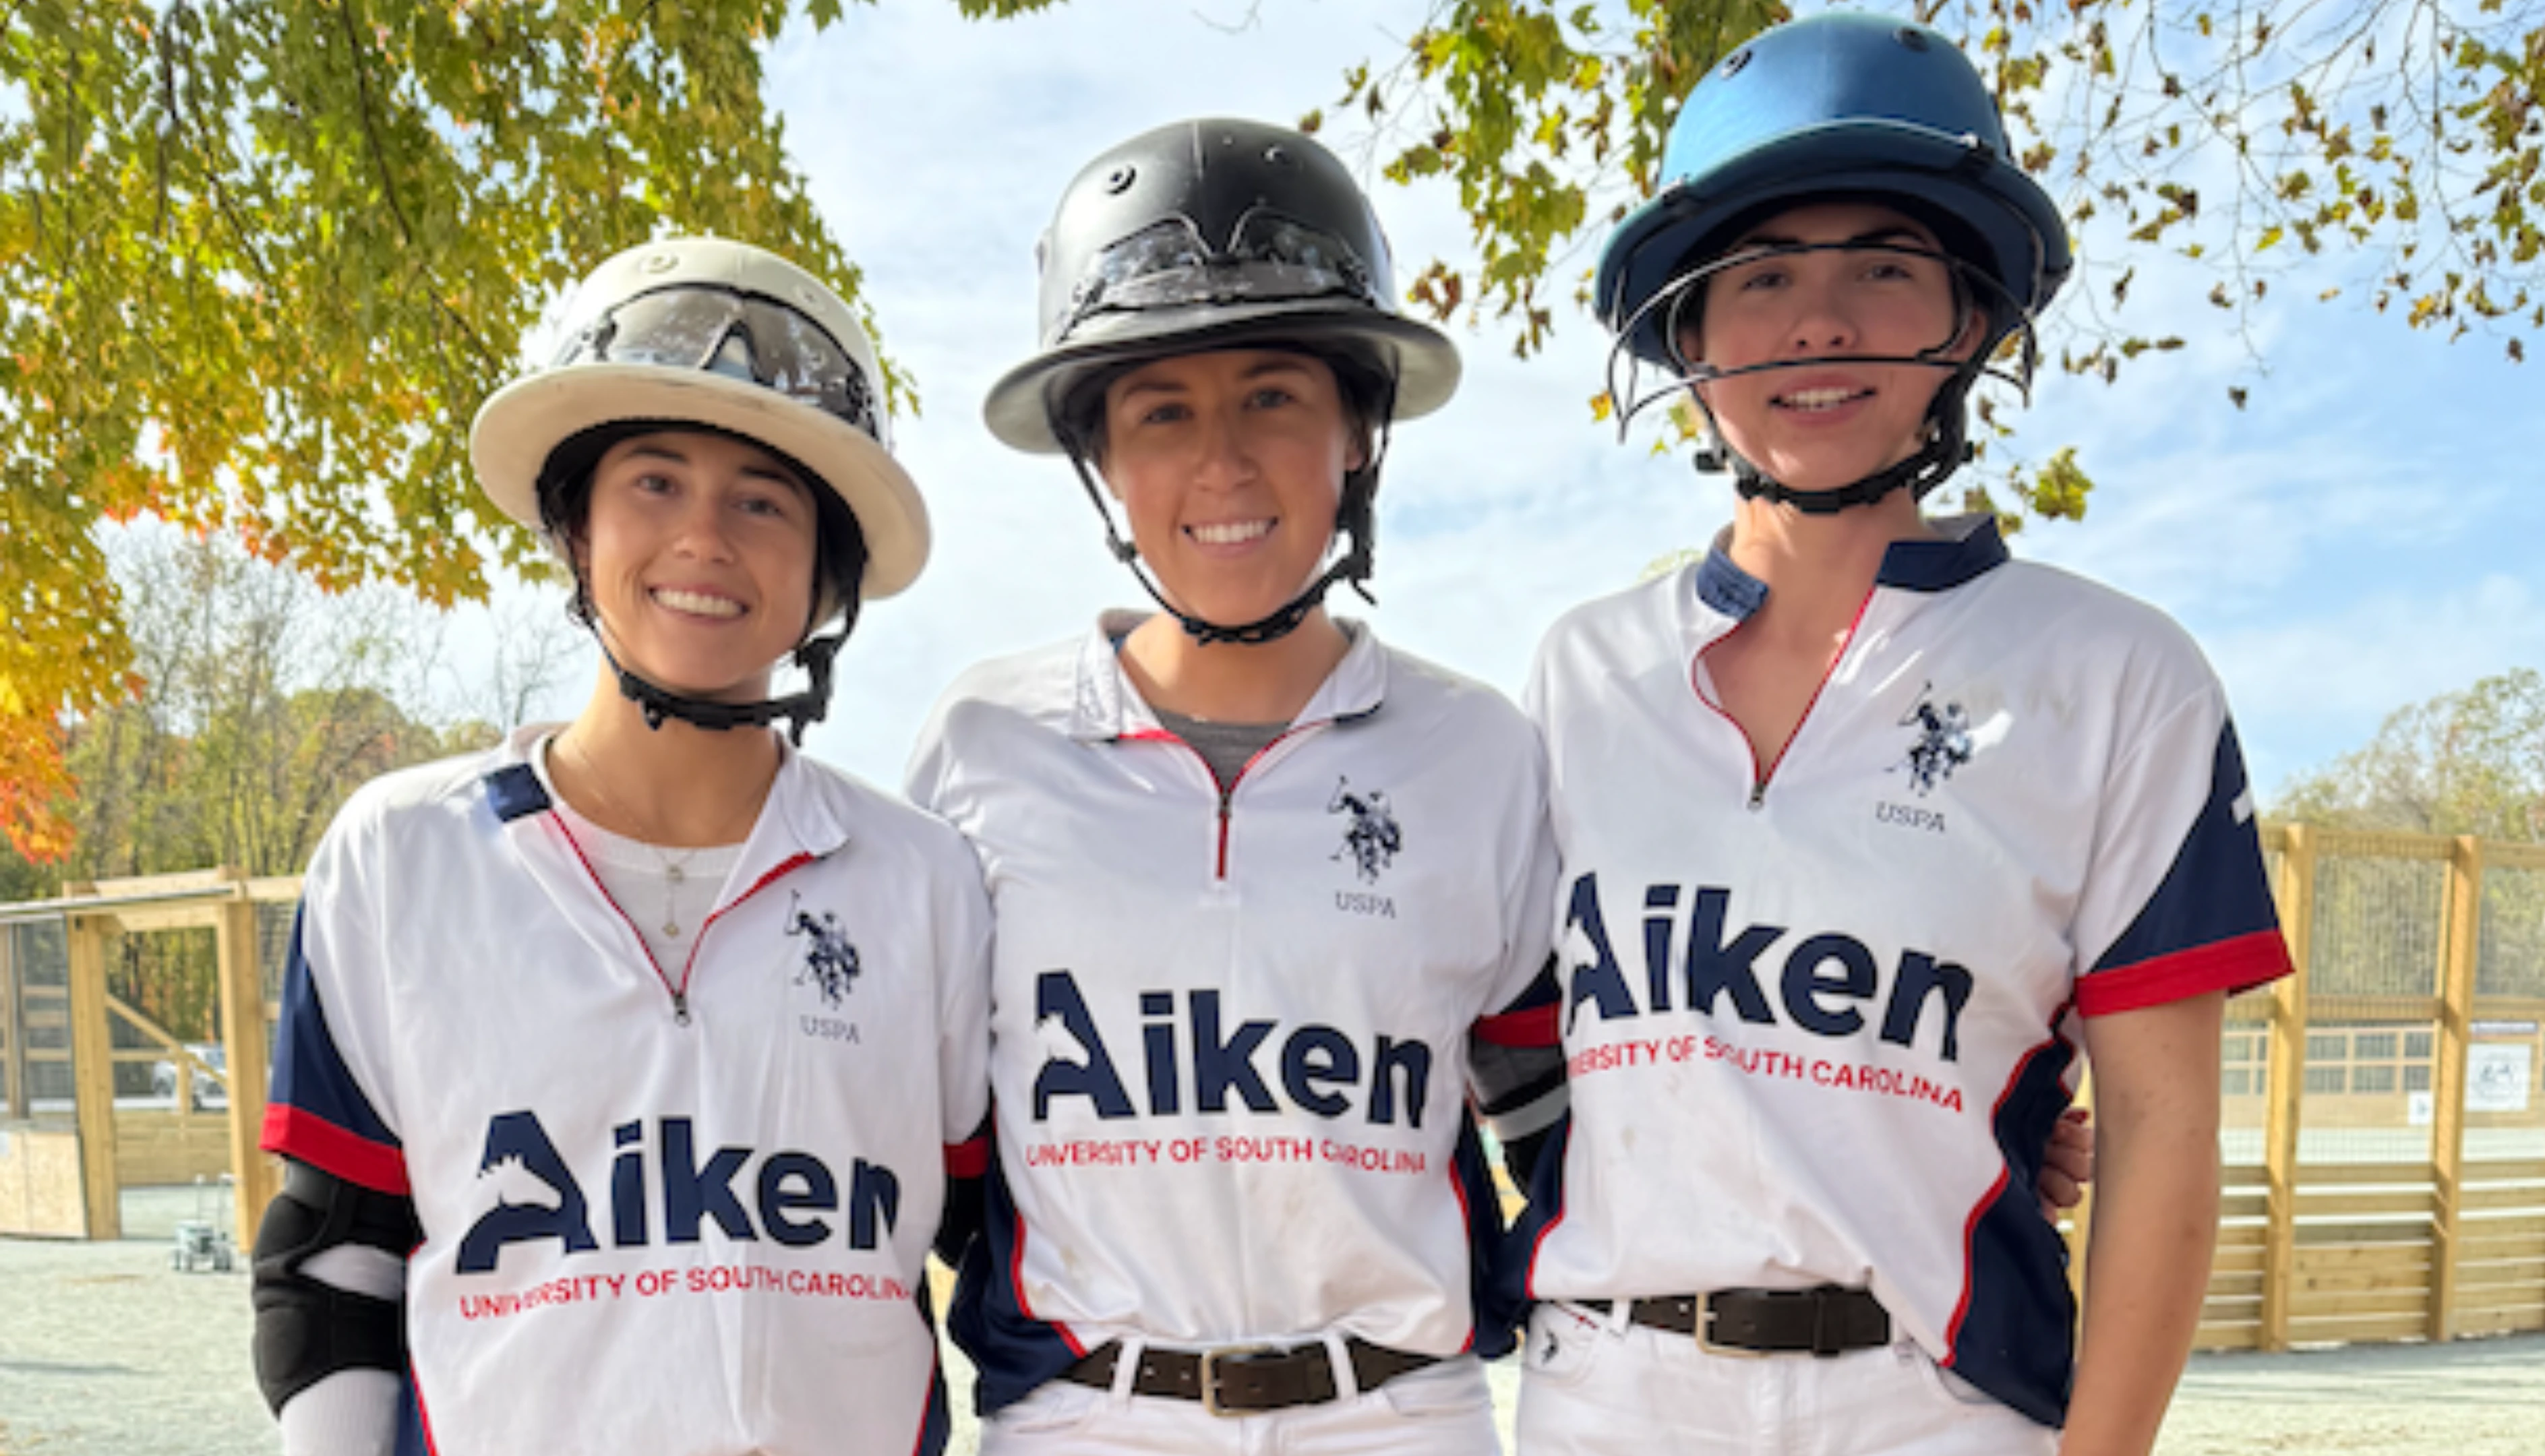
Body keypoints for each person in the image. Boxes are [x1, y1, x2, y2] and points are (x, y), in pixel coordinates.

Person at [1508, 13, 2294, 1456]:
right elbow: (1501, 1032)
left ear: (1975, 315)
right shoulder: (1579, 674)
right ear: (1685, 334)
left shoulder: (2118, 677)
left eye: (1882, 265)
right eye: (1759, 276)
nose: (1819, 322)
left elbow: (2169, 1144)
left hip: (1938, 1407)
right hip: (1606, 1396)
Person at [251, 237, 992, 1456]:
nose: (705, 537)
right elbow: (335, 1264)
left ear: (827, 575)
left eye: (763, 499)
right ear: (575, 527)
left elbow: (991, 1237)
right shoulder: (396, 860)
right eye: (654, 481)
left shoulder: (926, 883)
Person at [907, 117, 1564, 1453]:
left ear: (1360, 432)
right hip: (1089, 1421)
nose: (1222, 462)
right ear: (1099, 462)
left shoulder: (1482, 753)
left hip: (1400, 1414)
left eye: (1274, 395)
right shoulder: (981, 745)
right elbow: (902, 1125)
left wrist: (2003, 1128)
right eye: (1161, 412)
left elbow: (1575, 1118)